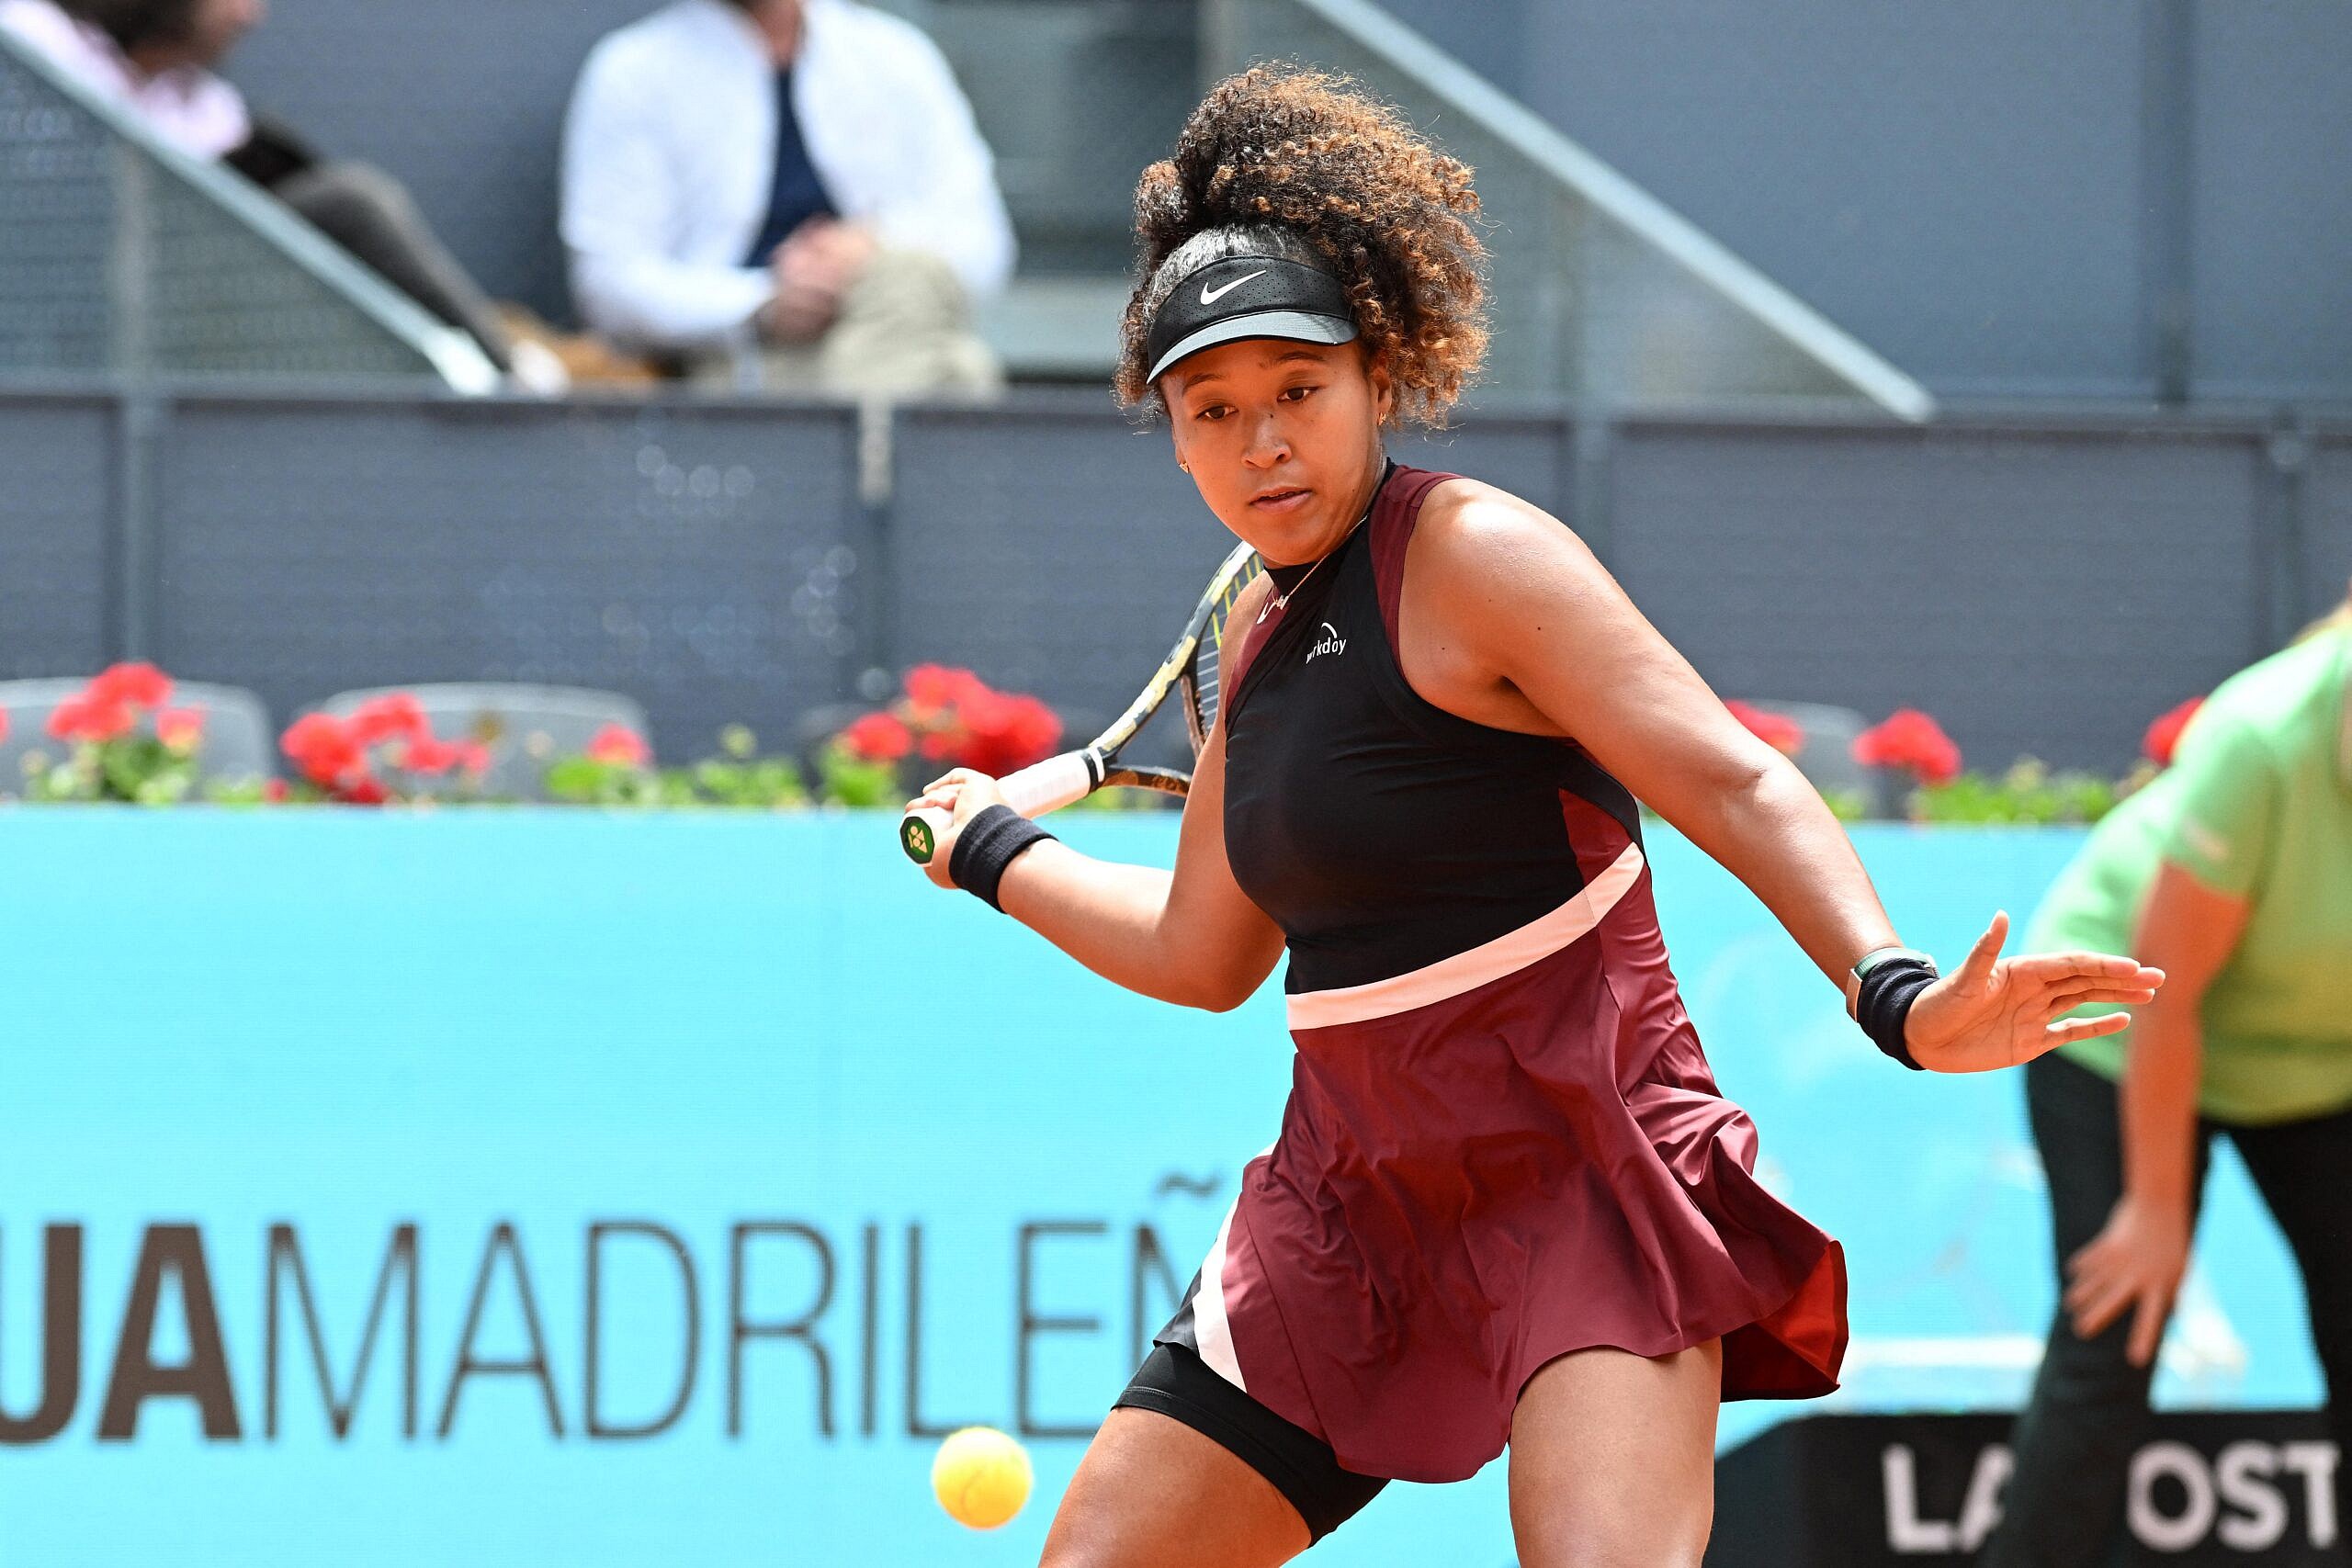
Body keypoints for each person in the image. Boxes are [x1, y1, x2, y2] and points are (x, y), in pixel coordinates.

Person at [901, 67, 2165, 1567]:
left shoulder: (1478, 557)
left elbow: (1732, 774)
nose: (1263, 446)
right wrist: (999, 855)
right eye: (1214, 413)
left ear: (1380, 372)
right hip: (1347, 1211)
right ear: (1171, 435)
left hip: (1586, 1181)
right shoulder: (1255, 644)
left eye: (1297, 393)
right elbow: (1202, 948)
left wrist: (1891, 990)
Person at [1983, 592, 2352, 1567]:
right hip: (2120, 1025)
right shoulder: (2262, 738)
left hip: (2319, 1061)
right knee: (2116, 1336)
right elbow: (2165, 992)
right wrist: (2152, 1210)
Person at [0, 0, 548, 384]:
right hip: (47, 304)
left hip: (181, 326)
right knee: (353, 202)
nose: (251, 15)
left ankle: (495, 368)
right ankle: (513, 367)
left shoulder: (207, 106)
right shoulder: (32, 37)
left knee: (348, 208)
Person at [560, 0, 1013, 397]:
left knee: (907, 282)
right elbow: (609, 284)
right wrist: (764, 303)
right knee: (958, 372)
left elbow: (984, 247)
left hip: (884, 319)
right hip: (739, 366)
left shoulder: (895, 57)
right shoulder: (636, 70)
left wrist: (865, 247)